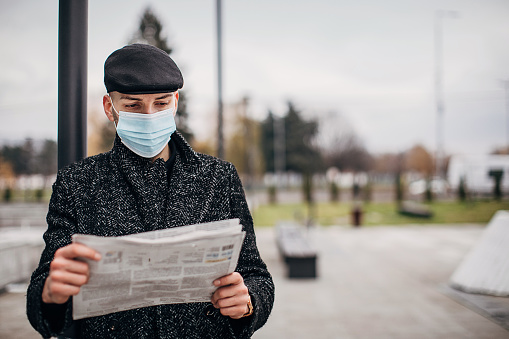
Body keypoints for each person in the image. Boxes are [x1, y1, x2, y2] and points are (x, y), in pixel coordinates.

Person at [27, 43, 274, 338]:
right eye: (132, 105)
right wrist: (51, 294)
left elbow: (257, 276)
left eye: (161, 103)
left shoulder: (218, 177)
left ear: (176, 102)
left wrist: (248, 302)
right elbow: (43, 294)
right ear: (110, 107)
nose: (149, 115)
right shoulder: (77, 183)